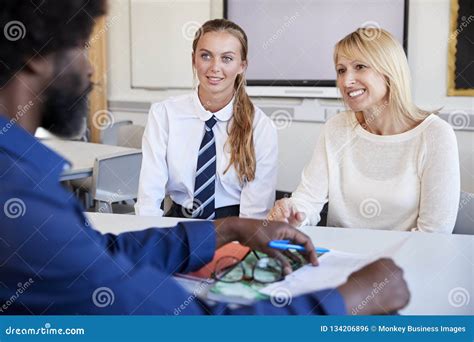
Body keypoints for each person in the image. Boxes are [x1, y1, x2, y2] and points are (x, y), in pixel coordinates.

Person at [0, 1, 409, 315]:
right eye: (79, 47)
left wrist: (226, 229)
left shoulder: (22, 187)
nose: (91, 71)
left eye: (227, 58)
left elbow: (104, 251)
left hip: (223, 235)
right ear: (37, 53)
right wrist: (345, 300)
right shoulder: (22, 201)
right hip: (184, 233)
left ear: (242, 66)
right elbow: (192, 324)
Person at [269, 28, 460, 233]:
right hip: (338, 259)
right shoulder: (337, 128)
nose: (346, 81)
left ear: (389, 71)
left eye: (360, 66)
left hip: (404, 262)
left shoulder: (435, 135)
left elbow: (435, 233)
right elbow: (308, 198)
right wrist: (292, 213)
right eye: (341, 70)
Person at [135, 19, 278, 220]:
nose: (214, 67)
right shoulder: (164, 114)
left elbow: (255, 213)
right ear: (194, 60)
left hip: (234, 226)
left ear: (242, 66)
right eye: (206, 56)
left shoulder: (260, 127)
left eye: (227, 58)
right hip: (179, 221)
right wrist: (148, 239)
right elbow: (149, 195)